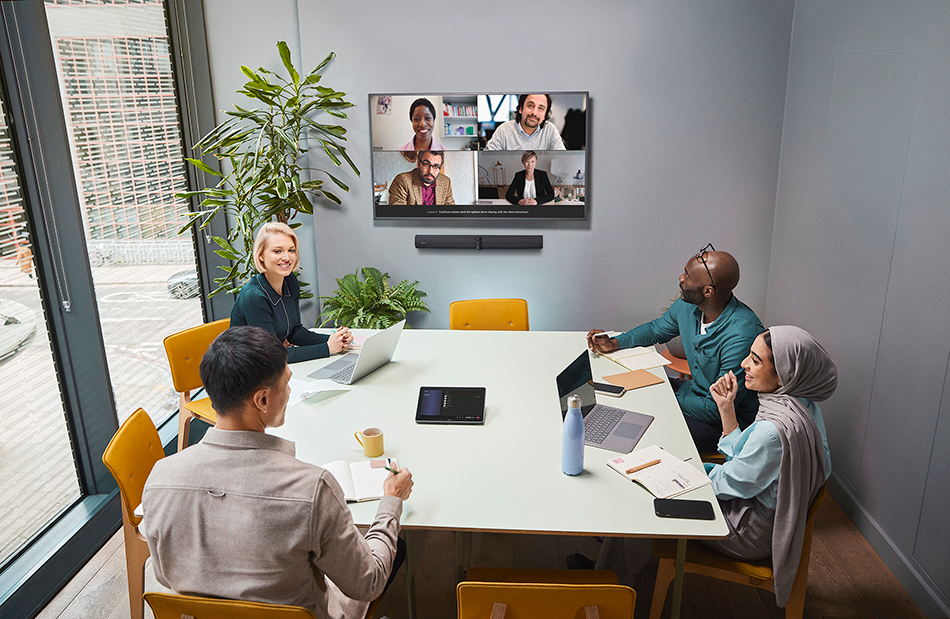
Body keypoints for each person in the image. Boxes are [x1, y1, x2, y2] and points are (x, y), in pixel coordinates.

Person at [141, 326, 414, 618]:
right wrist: (391, 501)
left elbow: (165, 576)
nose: (289, 391)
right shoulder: (313, 488)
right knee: (391, 546)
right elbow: (368, 582)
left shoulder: (159, 478)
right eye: (287, 383)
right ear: (262, 400)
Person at [704, 326, 835, 607]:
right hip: (763, 516)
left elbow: (731, 483)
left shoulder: (773, 430)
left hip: (748, 531)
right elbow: (748, 466)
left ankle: (614, 586)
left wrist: (688, 476)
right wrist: (726, 408)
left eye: (755, 360)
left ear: (783, 375)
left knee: (653, 503)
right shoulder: (803, 408)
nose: (744, 364)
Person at [587, 244, 763, 452]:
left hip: (722, 423)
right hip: (694, 393)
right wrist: (615, 342)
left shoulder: (741, 336)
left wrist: (667, 398)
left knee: (645, 433)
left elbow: (716, 408)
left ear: (708, 291)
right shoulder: (688, 305)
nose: (681, 278)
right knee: (631, 397)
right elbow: (655, 330)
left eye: (688, 276)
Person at [231, 222, 350, 362]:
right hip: (243, 369)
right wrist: (327, 348)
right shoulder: (253, 296)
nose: (287, 257)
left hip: (267, 366)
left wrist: (336, 340)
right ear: (261, 255)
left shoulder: (289, 281)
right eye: (277, 251)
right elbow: (273, 355)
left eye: (291, 250)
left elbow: (295, 332)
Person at [485, 94, 566, 151]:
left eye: (541, 108)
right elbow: (487, 158)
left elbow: (561, 159)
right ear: (521, 109)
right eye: (530, 106)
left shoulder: (550, 130)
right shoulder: (504, 130)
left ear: (545, 115)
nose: (534, 113)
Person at [387, 150, 454, 205]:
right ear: (418, 163)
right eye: (426, 164)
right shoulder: (402, 180)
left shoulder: (445, 182)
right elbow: (398, 214)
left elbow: (450, 211)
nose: (430, 171)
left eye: (436, 167)